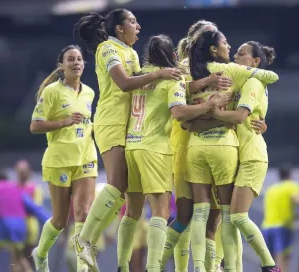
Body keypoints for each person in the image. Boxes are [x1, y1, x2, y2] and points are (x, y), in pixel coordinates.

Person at [72, 9, 181, 270]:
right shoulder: (108, 49)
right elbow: (123, 83)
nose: (138, 26)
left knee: (126, 198)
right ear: (119, 28)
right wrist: (159, 74)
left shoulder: (130, 52)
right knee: (116, 185)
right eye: (132, 22)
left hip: (130, 128)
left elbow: (140, 82)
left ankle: (109, 255)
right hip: (111, 122)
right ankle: (84, 238)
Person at [117, 34, 229, 272]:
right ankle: (154, 268)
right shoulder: (172, 79)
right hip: (155, 147)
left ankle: (121, 267)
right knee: (160, 212)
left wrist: (203, 82)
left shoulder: (139, 76)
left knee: (132, 212)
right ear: (173, 56)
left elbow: (173, 90)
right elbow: (178, 112)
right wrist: (208, 105)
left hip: (131, 145)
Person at [187, 33, 279, 272]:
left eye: (241, 53)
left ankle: (270, 266)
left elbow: (240, 117)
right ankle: (224, 265)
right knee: (225, 217)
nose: (236, 56)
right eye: (235, 52)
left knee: (236, 216)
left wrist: (210, 112)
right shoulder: (238, 81)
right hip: (235, 154)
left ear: (255, 62)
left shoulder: (253, 82)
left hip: (252, 157)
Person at [161, 20, 241, 272]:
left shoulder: (223, 70)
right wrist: (207, 84)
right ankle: (161, 265)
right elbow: (177, 102)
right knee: (187, 214)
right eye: (211, 36)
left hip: (212, 142)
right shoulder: (183, 69)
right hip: (185, 146)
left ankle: (212, 266)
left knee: (213, 216)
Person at [29, 45, 98, 272]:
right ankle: (40, 254)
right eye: (71, 59)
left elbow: (86, 123)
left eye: (79, 59)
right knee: (60, 220)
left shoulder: (89, 92)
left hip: (86, 158)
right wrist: (63, 122)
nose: (76, 63)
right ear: (62, 65)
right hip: (59, 160)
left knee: (83, 214)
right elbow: (35, 126)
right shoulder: (51, 92)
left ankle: (82, 268)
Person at [262, 165, 299, 272]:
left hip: (267, 226)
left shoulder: (271, 189)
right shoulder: (291, 186)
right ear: (290, 175)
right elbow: (297, 200)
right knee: (282, 258)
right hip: (282, 227)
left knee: (268, 261)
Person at [15, 160, 44, 270]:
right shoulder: (13, 188)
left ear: (29, 172)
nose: (22, 174)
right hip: (16, 225)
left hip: (29, 225)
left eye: (24, 171)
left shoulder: (35, 188)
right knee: (16, 257)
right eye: (19, 171)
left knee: (27, 256)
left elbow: (36, 207)